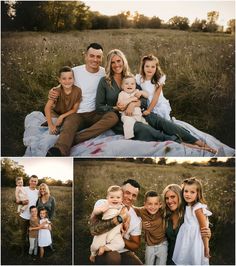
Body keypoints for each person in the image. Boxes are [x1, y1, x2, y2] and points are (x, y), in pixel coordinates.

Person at [95, 49, 217, 153]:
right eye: (113, 62)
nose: (116, 65)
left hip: (139, 110)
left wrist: (134, 103)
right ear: (109, 64)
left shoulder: (131, 77)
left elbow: (143, 99)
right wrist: (117, 108)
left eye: (118, 61)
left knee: (163, 123)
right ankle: (185, 145)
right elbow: (99, 107)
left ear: (123, 61)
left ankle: (200, 143)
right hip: (122, 118)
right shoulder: (104, 81)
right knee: (149, 130)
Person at [46, 43, 119, 156]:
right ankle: (59, 150)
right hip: (77, 113)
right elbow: (62, 85)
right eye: (92, 56)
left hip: (96, 113)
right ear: (86, 56)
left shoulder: (105, 73)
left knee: (113, 117)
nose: (95, 59)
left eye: (98, 57)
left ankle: (74, 139)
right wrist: (52, 91)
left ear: (102, 58)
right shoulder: (75, 72)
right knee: (69, 124)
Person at [89, 179, 143, 265]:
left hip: (122, 248)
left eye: (134, 195)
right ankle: (93, 255)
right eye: (127, 193)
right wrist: (120, 218)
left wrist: (119, 236)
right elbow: (93, 230)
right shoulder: (103, 204)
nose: (130, 197)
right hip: (102, 244)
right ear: (120, 191)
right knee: (114, 258)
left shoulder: (135, 218)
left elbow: (135, 245)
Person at [162, 183, 211, 265]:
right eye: (167, 198)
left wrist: (208, 233)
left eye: (173, 197)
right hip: (169, 257)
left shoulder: (189, 214)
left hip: (186, 257)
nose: (169, 201)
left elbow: (201, 227)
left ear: (179, 196)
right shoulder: (165, 214)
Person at [89, 185, 129, 263]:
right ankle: (93, 254)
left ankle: (105, 248)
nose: (115, 199)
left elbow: (125, 216)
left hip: (115, 232)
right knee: (95, 245)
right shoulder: (105, 204)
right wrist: (100, 210)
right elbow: (95, 211)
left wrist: (125, 223)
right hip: (104, 231)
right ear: (107, 197)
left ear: (122, 199)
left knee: (121, 244)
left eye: (118, 197)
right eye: (112, 197)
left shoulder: (122, 207)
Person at [43, 66, 82, 135]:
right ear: (59, 80)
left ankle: (57, 123)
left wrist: (62, 117)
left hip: (66, 115)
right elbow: (47, 108)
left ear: (73, 79)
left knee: (67, 130)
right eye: (64, 79)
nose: (67, 81)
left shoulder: (78, 91)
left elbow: (74, 109)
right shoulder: (56, 91)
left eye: (70, 78)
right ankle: (49, 122)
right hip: (55, 114)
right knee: (53, 132)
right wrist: (51, 125)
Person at [133, 191, 168, 265]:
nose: (153, 207)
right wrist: (140, 224)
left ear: (160, 205)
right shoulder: (142, 211)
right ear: (145, 204)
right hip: (150, 245)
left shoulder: (162, 211)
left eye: (156, 204)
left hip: (162, 244)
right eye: (149, 204)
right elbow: (131, 208)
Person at [135, 54, 171, 120]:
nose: (150, 69)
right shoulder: (139, 79)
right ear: (143, 67)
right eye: (147, 66)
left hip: (158, 103)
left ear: (156, 68)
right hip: (147, 103)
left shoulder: (158, 80)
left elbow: (156, 96)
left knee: (162, 119)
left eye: (153, 67)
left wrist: (149, 110)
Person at [117, 75, 149, 139]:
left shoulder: (136, 91)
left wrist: (141, 92)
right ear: (122, 86)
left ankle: (148, 134)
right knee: (128, 124)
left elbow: (147, 95)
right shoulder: (122, 94)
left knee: (146, 125)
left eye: (132, 84)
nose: (129, 85)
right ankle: (129, 137)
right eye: (126, 84)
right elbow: (120, 104)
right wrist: (131, 99)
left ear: (135, 85)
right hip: (127, 115)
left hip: (139, 116)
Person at [16, 175, 39, 256]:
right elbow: (15, 200)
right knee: (23, 234)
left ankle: (31, 248)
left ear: (37, 182)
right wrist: (22, 203)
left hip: (32, 218)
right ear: (29, 181)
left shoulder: (37, 192)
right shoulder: (23, 188)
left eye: (35, 181)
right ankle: (22, 250)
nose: (33, 182)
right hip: (23, 216)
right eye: (32, 180)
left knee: (31, 234)